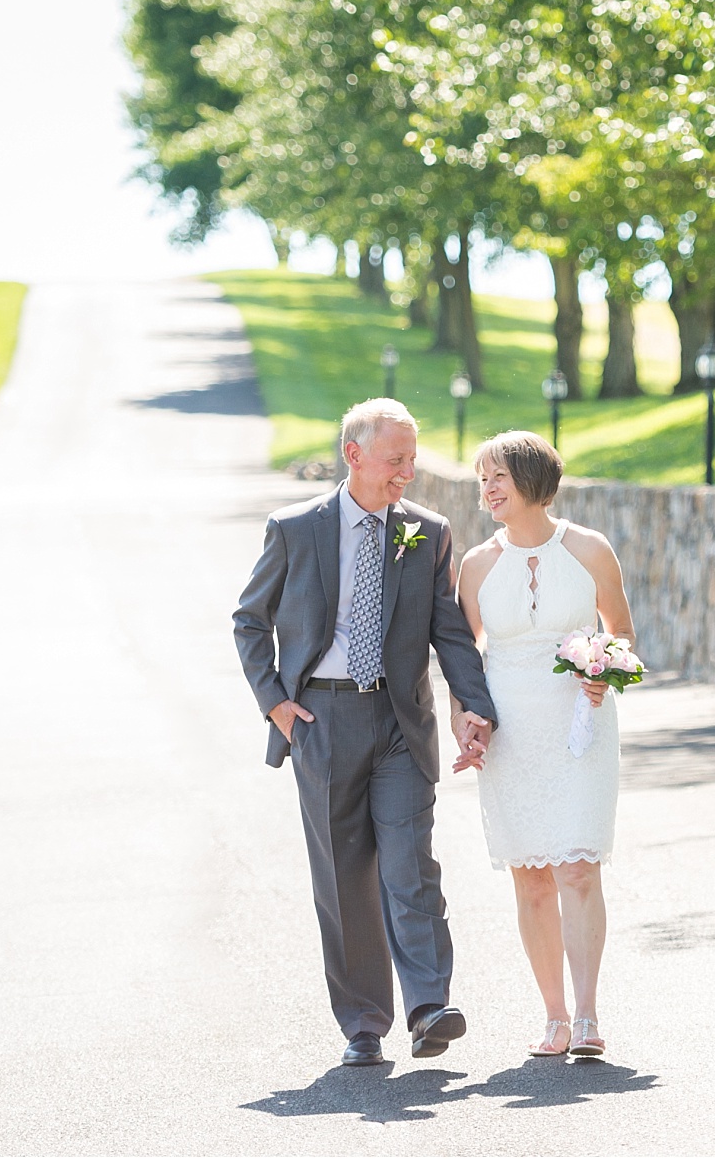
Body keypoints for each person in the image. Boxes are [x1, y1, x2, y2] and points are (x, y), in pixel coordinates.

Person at [233, 398, 498, 1067]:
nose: (407, 472)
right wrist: (277, 705)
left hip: (400, 722)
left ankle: (428, 1005)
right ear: (354, 454)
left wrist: (476, 706)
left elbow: (450, 634)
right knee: (345, 876)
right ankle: (363, 1024)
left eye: (412, 457)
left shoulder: (427, 533)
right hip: (321, 721)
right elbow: (248, 618)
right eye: (396, 459)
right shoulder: (295, 529)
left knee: (412, 864)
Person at [453, 431, 634, 1059]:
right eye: (482, 479)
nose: (488, 489)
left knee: (578, 870)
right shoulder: (476, 564)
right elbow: (461, 659)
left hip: (579, 730)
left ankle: (587, 1015)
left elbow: (622, 634)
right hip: (512, 735)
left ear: (533, 479)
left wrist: (600, 671)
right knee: (530, 879)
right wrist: (465, 722)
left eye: (498, 475)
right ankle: (553, 1016)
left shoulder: (588, 550)